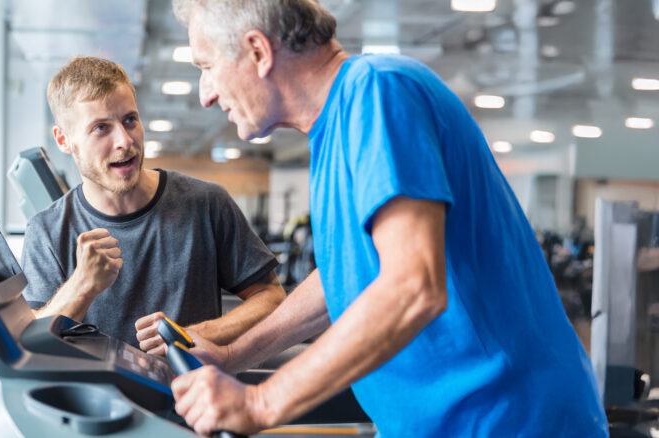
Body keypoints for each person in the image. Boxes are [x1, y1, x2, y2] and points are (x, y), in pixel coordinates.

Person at [168, 0, 607, 436]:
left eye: (207, 67)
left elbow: (413, 287)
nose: (205, 94)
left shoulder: (378, 91)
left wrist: (261, 403)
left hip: (504, 421)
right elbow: (340, 279)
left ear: (258, 52)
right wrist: (234, 355)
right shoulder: (334, 128)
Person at [21, 56, 286, 351]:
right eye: (100, 128)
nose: (124, 140)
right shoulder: (46, 230)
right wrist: (82, 285)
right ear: (64, 139)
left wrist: (194, 335)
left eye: (130, 120)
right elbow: (34, 346)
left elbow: (271, 297)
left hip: (194, 393)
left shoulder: (207, 204)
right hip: (99, 396)